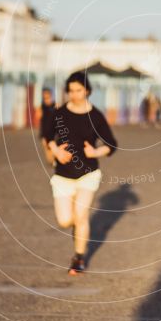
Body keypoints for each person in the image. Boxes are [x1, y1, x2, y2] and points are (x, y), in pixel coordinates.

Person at [43, 71, 118, 275]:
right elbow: (48, 136)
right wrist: (56, 150)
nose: (75, 94)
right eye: (71, 91)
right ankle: (78, 233)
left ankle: (79, 258)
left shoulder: (95, 116)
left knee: (81, 215)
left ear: (87, 90)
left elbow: (111, 145)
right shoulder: (59, 113)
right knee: (65, 221)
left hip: (88, 173)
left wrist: (95, 151)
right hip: (62, 175)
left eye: (79, 90)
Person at [39, 88, 56, 163]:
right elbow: (41, 121)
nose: (46, 99)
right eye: (44, 97)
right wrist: (42, 135)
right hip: (45, 132)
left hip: (54, 132)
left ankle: (54, 161)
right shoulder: (42, 107)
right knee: (47, 148)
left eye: (48, 97)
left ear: (51, 96)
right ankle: (51, 161)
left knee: (53, 147)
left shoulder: (55, 106)